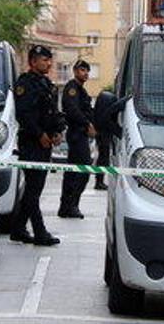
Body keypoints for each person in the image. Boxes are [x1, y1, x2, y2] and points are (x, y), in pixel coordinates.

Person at [10, 45, 64, 246]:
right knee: (33, 189)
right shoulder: (25, 84)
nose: (48, 63)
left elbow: (53, 112)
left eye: (50, 60)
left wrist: (58, 131)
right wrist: (39, 134)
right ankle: (40, 232)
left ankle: (17, 228)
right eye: (44, 60)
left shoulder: (47, 84)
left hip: (45, 143)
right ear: (32, 62)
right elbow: (23, 114)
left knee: (36, 188)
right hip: (31, 143)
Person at [58, 60, 96, 218]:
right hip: (76, 133)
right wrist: (87, 124)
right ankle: (70, 205)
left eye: (87, 70)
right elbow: (72, 110)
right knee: (81, 170)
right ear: (74, 71)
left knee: (75, 172)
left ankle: (68, 206)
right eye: (82, 70)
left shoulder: (81, 90)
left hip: (80, 134)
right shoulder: (72, 88)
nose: (85, 73)